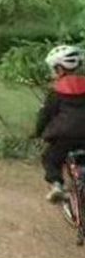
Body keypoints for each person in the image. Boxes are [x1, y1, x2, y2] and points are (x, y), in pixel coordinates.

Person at [34, 45, 85, 203]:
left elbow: (45, 115)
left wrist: (38, 132)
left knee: (50, 158)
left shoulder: (56, 91)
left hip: (64, 137)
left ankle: (57, 185)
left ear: (60, 69)